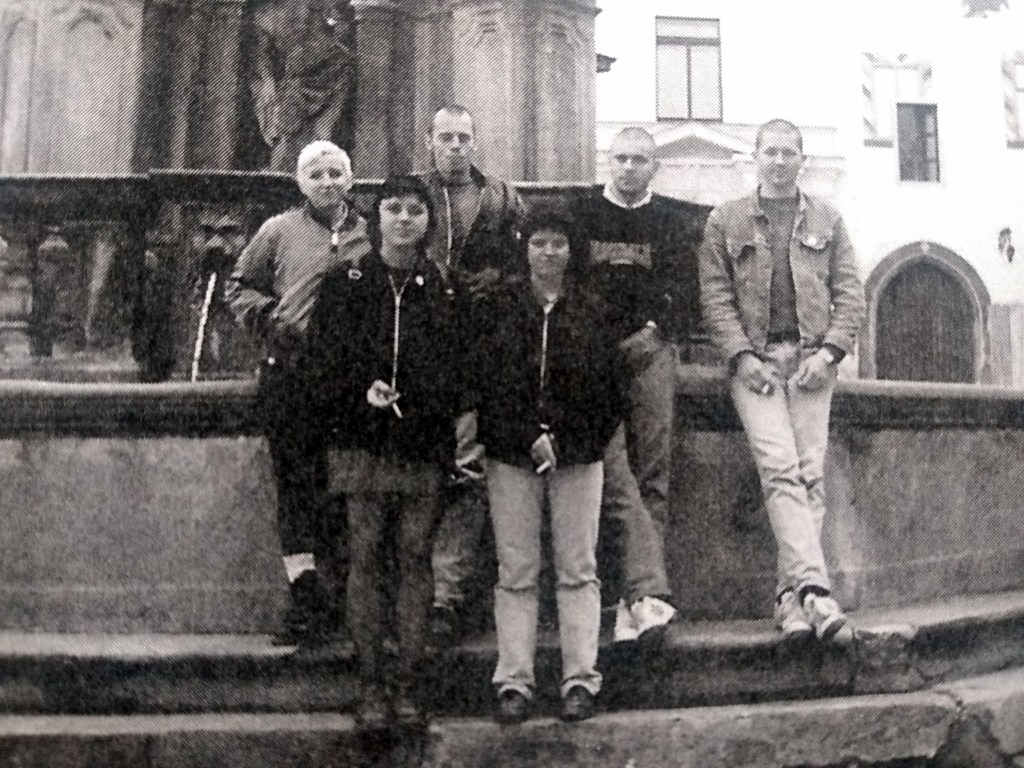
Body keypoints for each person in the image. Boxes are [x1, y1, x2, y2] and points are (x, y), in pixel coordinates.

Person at [698, 118, 865, 644]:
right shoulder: (726, 219)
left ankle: (790, 600)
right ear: (755, 157)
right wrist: (742, 356)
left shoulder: (827, 219)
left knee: (810, 476)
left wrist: (830, 353)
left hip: (812, 361)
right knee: (779, 470)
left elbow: (850, 293)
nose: (778, 161)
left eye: (788, 152)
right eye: (770, 151)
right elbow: (715, 296)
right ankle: (815, 588)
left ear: (802, 160)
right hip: (758, 364)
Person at [304, 175, 458, 729]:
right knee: (365, 555)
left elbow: (458, 364)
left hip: (421, 440)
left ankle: (409, 684)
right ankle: (371, 685)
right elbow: (322, 360)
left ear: (428, 221)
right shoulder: (345, 280)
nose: (404, 219)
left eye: (415, 210)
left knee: (415, 556)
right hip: (360, 438)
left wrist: (422, 399)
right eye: (393, 208)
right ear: (376, 219)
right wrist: (360, 389)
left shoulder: (442, 286)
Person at [469, 210, 623, 724]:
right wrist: (527, 436)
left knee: (578, 569)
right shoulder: (500, 307)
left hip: (577, 457)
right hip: (512, 456)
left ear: (572, 250)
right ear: (525, 249)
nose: (549, 252)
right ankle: (514, 681)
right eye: (539, 242)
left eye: (558, 242)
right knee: (516, 571)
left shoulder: (594, 310)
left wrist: (563, 438)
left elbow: (609, 392)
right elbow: (488, 384)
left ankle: (580, 680)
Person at [225, 140, 370, 647]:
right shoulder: (278, 230)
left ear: (350, 179)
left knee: (340, 484)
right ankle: (304, 594)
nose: (327, 183)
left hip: (348, 378)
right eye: (316, 174)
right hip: (290, 373)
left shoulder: (370, 231)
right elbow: (239, 285)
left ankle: (343, 596)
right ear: (300, 182)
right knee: (295, 483)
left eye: (335, 173)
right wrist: (270, 318)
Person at [574, 127, 707, 644]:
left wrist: (656, 331)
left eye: (640, 160)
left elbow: (686, 291)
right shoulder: (584, 214)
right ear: (609, 162)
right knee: (607, 476)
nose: (630, 167)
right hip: (594, 357)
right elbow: (570, 282)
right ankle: (624, 591)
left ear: (655, 167)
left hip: (650, 352)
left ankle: (645, 600)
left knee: (652, 470)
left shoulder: (671, 222)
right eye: (622, 158)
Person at [417, 105, 526, 644]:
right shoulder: (411, 196)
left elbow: (523, 265)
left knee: (469, 469)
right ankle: (412, 593)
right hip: (421, 343)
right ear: (430, 142)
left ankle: (447, 596)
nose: (455, 146)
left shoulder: (502, 198)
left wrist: (495, 282)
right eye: (446, 137)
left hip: (478, 348)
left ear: (475, 142)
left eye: (463, 137)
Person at [248, 0, 357, 171]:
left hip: (326, 65)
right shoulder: (281, 21)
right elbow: (265, 35)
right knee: (289, 136)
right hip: (295, 78)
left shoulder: (338, 56)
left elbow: (339, 22)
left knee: (320, 132)